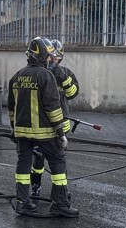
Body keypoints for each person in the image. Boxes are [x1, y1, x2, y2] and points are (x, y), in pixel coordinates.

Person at [7, 37, 79, 217]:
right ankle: (60, 203)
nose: (50, 60)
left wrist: (14, 129)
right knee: (58, 161)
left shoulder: (16, 76)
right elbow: (53, 108)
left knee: (23, 164)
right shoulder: (46, 76)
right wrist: (61, 133)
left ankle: (22, 202)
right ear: (42, 56)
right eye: (49, 56)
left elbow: (11, 107)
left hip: (22, 132)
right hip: (45, 132)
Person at [31, 39, 80, 198]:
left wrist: (62, 76)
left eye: (56, 59)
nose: (53, 61)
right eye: (51, 58)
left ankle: (60, 193)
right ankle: (35, 186)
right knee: (38, 159)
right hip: (42, 124)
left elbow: (72, 94)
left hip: (61, 126)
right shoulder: (39, 72)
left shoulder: (66, 73)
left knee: (59, 161)